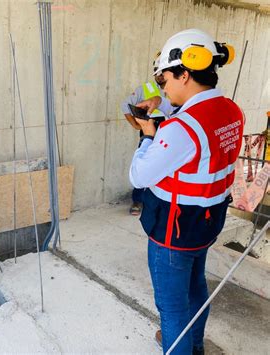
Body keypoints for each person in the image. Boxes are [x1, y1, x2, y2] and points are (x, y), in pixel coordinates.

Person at [129, 29, 241, 354]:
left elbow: (139, 175)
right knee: (195, 290)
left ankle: (178, 344)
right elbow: (196, 139)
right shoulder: (231, 110)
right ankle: (194, 345)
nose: (163, 87)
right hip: (205, 221)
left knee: (172, 307)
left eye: (164, 80)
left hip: (173, 232)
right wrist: (159, 106)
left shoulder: (182, 127)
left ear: (185, 72)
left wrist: (148, 135)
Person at [121, 74, 170, 215]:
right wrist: (135, 125)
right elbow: (125, 104)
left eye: (162, 72)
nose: (159, 75)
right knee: (144, 163)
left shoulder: (176, 89)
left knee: (164, 166)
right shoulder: (145, 88)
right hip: (151, 127)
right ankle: (137, 200)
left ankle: (157, 200)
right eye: (157, 72)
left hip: (169, 128)